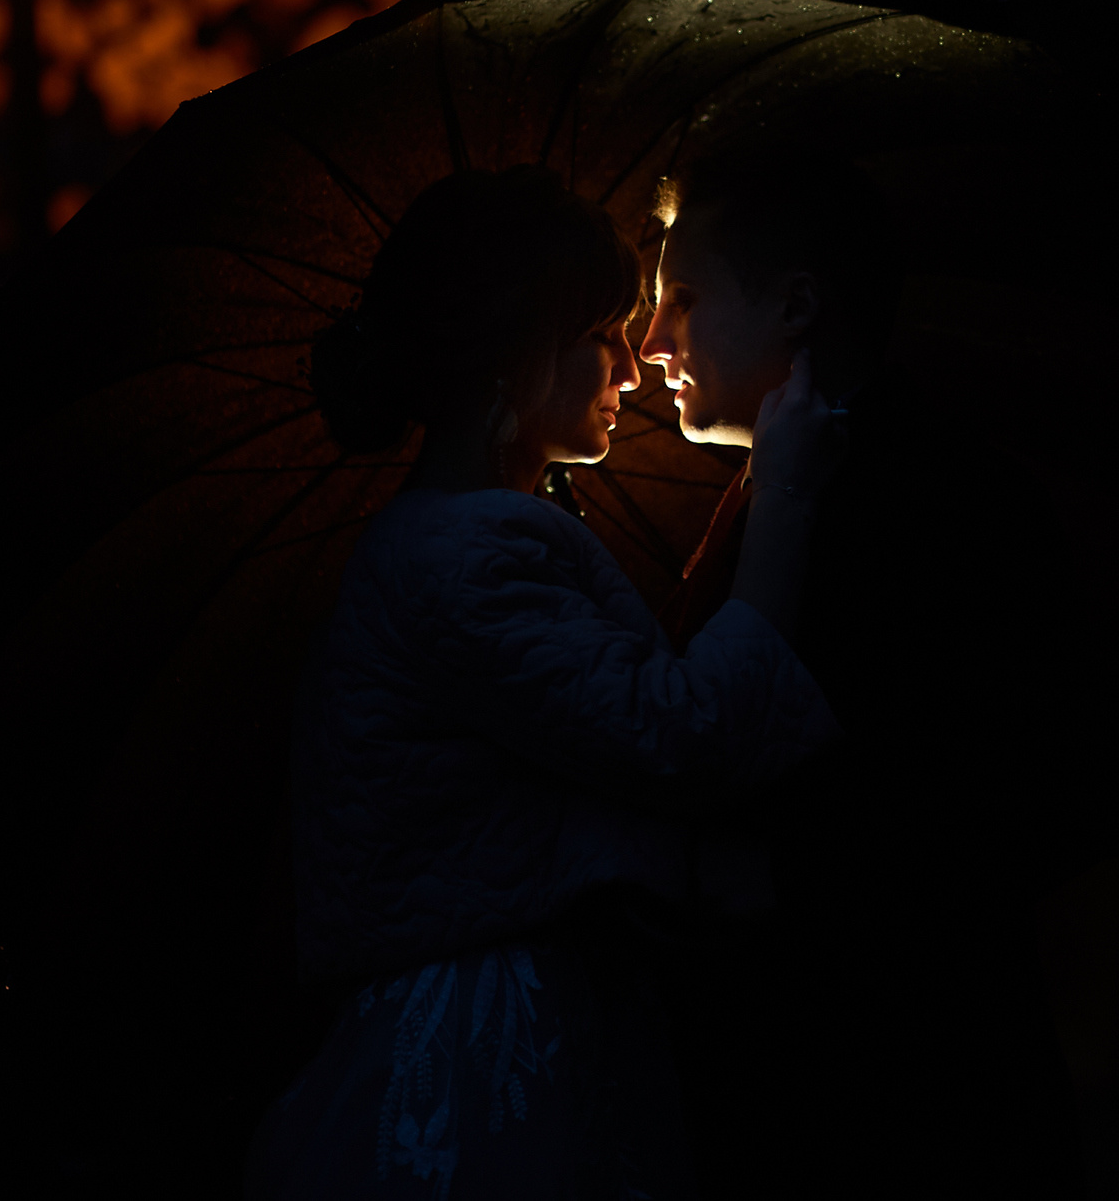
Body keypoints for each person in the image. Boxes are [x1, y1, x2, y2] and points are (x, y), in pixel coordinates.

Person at [246, 165, 843, 1201]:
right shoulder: (467, 556)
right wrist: (782, 493)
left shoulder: (475, 541)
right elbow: (681, 735)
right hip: (488, 1054)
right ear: (514, 359)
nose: (631, 357)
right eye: (602, 331)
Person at [637, 149, 1097, 1200]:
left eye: (685, 299)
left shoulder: (938, 508)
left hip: (905, 1101)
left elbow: (1023, 786)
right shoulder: (777, 497)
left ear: (796, 303)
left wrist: (782, 877)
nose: (652, 342)